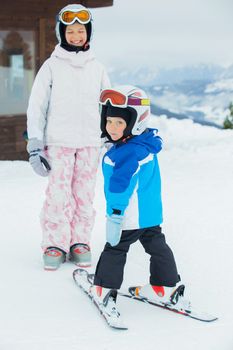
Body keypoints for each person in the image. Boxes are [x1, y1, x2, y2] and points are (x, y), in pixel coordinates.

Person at [26, 4, 110, 270]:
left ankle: (79, 241)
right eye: (71, 31)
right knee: (58, 194)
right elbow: (36, 106)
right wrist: (36, 145)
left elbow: (107, 105)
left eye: (81, 31)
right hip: (59, 142)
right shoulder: (51, 67)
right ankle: (54, 243)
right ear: (62, 34)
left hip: (90, 142)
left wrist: (109, 137)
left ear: (88, 33)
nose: (76, 36)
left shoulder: (97, 68)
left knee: (84, 194)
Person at [90, 85, 186, 311]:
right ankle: (164, 286)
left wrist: (115, 217)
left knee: (115, 248)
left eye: (119, 123)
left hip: (128, 217)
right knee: (157, 246)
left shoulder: (126, 155)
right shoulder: (146, 144)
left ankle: (104, 290)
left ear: (135, 123)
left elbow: (119, 189)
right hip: (150, 215)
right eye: (109, 121)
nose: (112, 128)